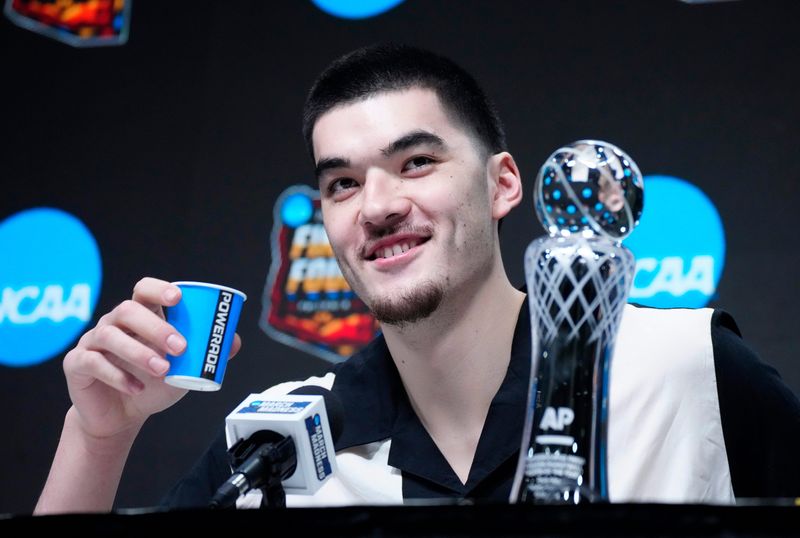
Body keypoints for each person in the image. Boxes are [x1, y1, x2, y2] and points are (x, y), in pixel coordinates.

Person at [34, 43, 800, 514]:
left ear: (503, 185)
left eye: (417, 163)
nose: (377, 207)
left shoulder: (682, 361)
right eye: (340, 184)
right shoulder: (274, 444)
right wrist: (98, 436)